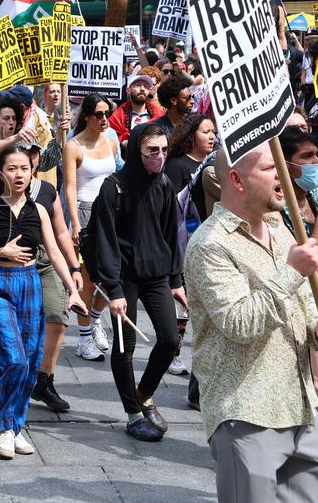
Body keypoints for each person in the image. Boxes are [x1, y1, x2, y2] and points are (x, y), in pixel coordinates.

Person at [185, 143, 318, 503]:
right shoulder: (210, 244)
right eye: (271, 170)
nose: (284, 179)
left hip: (300, 407)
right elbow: (239, 323)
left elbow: (301, 305)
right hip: (247, 412)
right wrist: (291, 272)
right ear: (236, 180)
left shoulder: (280, 229)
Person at [0, 145, 83, 458]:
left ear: (33, 173)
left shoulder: (39, 209)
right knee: (12, 359)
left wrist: (73, 288)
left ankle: (15, 426)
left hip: (30, 284)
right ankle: (4, 427)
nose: (18, 174)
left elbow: (54, 250)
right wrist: (0, 252)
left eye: (24, 169)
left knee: (30, 363)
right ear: (1, 172)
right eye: (12, 168)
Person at [90, 123, 185, 442]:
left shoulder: (164, 184)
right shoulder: (113, 187)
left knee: (170, 339)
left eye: (163, 150)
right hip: (124, 278)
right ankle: (132, 414)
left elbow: (171, 234)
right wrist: (113, 289)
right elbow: (105, 240)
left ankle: (144, 393)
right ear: (136, 151)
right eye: (151, 151)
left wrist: (176, 279)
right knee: (125, 347)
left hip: (156, 275)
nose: (159, 157)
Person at [277, 126, 318, 467]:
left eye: (317, 154)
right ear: (287, 165)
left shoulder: (316, 197)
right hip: (300, 313)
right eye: (307, 157)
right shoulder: (278, 210)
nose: (317, 164)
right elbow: (306, 260)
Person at [63, 94, 118, 361]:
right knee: (86, 278)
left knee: (110, 276)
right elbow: (70, 188)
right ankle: (83, 337)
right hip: (85, 212)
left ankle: (95, 321)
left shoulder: (111, 142)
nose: (104, 118)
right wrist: (75, 223)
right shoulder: (73, 146)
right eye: (98, 114)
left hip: (110, 214)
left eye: (107, 113)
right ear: (86, 116)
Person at [162, 113, 217, 377]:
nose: (212, 136)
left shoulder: (214, 164)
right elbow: (171, 209)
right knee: (182, 303)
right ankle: (174, 352)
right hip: (183, 242)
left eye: (214, 132)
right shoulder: (176, 166)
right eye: (206, 131)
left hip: (207, 241)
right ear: (190, 135)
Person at [110, 74, 163, 149]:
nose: (142, 89)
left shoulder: (159, 115)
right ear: (128, 90)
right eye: (138, 85)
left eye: (146, 86)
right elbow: (112, 140)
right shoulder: (117, 117)